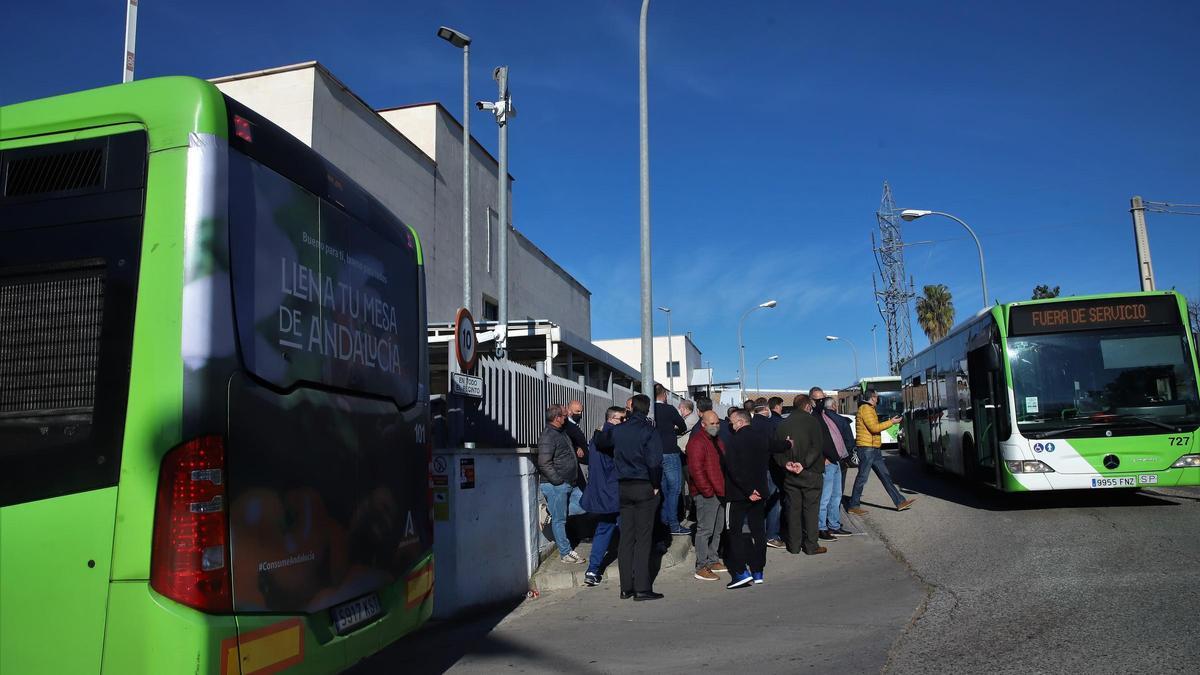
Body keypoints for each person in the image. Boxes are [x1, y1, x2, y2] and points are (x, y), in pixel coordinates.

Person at [612, 394, 665, 600]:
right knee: (643, 538)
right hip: (643, 485)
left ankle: (626, 587)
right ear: (647, 409)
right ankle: (642, 587)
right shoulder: (649, 432)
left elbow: (601, 440)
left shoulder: (618, 430)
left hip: (624, 486)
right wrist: (655, 484)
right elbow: (654, 462)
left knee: (626, 537)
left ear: (631, 408)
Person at [721, 410, 772, 588]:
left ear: (741, 422)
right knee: (758, 531)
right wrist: (788, 444)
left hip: (738, 494)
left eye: (732, 422)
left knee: (733, 531)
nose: (730, 425)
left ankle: (741, 571)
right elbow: (777, 446)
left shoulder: (734, 441)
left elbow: (733, 469)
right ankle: (758, 570)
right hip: (759, 492)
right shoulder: (761, 437)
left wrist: (748, 489)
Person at [773, 394, 827, 555]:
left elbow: (776, 449)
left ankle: (794, 546)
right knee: (811, 510)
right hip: (810, 472)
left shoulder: (782, 424)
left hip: (790, 474)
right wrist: (803, 464)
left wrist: (785, 463)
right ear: (807, 406)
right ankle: (811, 545)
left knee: (793, 510)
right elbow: (816, 447)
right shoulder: (813, 421)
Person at [848, 389, 916, 514]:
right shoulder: (866, 409)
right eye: (877, 397)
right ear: (873, 397)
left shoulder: (869, 409)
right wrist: (891, 422)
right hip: (867, 448)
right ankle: (853, 505)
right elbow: (874, 428)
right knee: (862, 478)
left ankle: (900, 502)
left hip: (873, 448)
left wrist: (890, 421)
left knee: (885, 476)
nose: (878, 399)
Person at [580, 406, 626, 586]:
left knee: (604, 530)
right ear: (613, 419)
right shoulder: (612, 438)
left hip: (601, 493)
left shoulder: (596, 437)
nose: (625, 422)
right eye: (622, 419)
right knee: (627, 529)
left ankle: (592, 569)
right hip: (614, 492)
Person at [537, 404, 584, 563]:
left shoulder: (560, 432)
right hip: (556, 485)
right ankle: (565, 553)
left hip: (570, 482)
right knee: (560, 520)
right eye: (565, 415)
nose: (567, 417)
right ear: (557, 418)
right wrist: (558, 482)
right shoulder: (548, 436)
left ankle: (551, 511)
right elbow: (544, 463)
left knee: (585, 504)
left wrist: (576, 448)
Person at [809, 388, 858, 540]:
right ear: (811, 400)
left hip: (836, 461)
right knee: (825, 497)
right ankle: (821, 527)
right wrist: (823, 458)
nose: (821, 401)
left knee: (836, 496)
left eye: (823, 398)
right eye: (818, 399)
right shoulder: (814, 418)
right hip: (827, 462)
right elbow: (815, 442)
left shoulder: (826, 416)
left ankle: (834, 525)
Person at [687, 410, 728, 581]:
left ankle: (712, 560)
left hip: (719, 491)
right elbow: (696, 470)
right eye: (712, 423)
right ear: (703, 424)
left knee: (717, 529)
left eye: (717, 423)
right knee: (705, 530)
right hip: (707, 494)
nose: (716, 426)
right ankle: (701, 566)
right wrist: (707, 491)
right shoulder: (697, 442)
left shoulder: (716, 440)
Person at [653, 384, 689, 536]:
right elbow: (682, 425)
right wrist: (672, 430)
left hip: (654, 453)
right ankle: (674, 524)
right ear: (665, 395)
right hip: (669, 451)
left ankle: (663, 522)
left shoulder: (650, 410)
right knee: (674, 489)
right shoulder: (669, 409)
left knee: (662, 489)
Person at [750, 406, 785, 550]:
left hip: (753, 469)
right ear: (766, 409)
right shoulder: (771, 424)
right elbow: (776, 445)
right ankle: (771, 535)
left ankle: (757, 534)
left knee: (758, 502)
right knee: (773, 503)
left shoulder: (749, 425)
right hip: (770, 467)